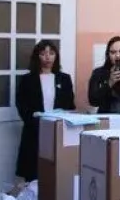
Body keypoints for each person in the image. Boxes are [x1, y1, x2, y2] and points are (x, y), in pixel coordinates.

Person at [15, 40, 76, 182]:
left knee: (56, 173)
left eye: (51, 53)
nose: (48, 57)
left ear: (56, 56)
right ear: (37, 56)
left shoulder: (64, 78)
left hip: (58, 130)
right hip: (34, 131)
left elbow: (69, 104)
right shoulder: (27, 79)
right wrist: (34, 120)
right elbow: (21, 104)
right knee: (33, 174)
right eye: (43, 54)